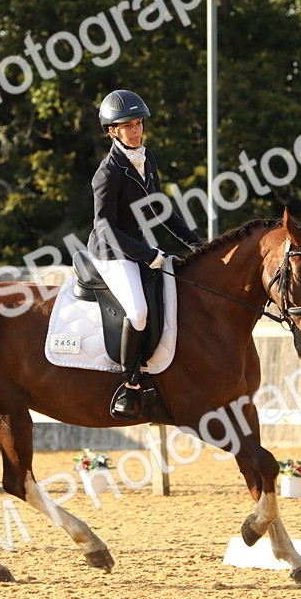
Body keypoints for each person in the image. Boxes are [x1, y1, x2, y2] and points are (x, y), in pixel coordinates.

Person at [87, 89, 204, 419]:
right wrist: (145, 254)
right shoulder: (108, 172)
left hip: (138, 248)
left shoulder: (146, 158)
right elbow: (105, 226)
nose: (136, 130)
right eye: (128, 126)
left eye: (138, 123)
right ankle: (130, 384)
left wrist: (197, 244)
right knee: (138, 312)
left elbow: (161, 210)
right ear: (113, 130)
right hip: (111, 253)